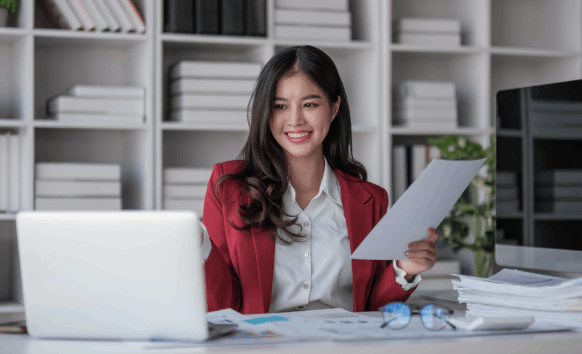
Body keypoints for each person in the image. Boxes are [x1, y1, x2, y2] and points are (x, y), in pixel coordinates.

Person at [200, 45, 439, 315]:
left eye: (310, 104)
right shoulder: (229, 187)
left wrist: (404, 270)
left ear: (334, 108)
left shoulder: (371, 199)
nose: (295, 120)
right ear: (266, 113)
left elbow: (371, 307)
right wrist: (194, 247)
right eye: (280, 106)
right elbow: (221, 306)